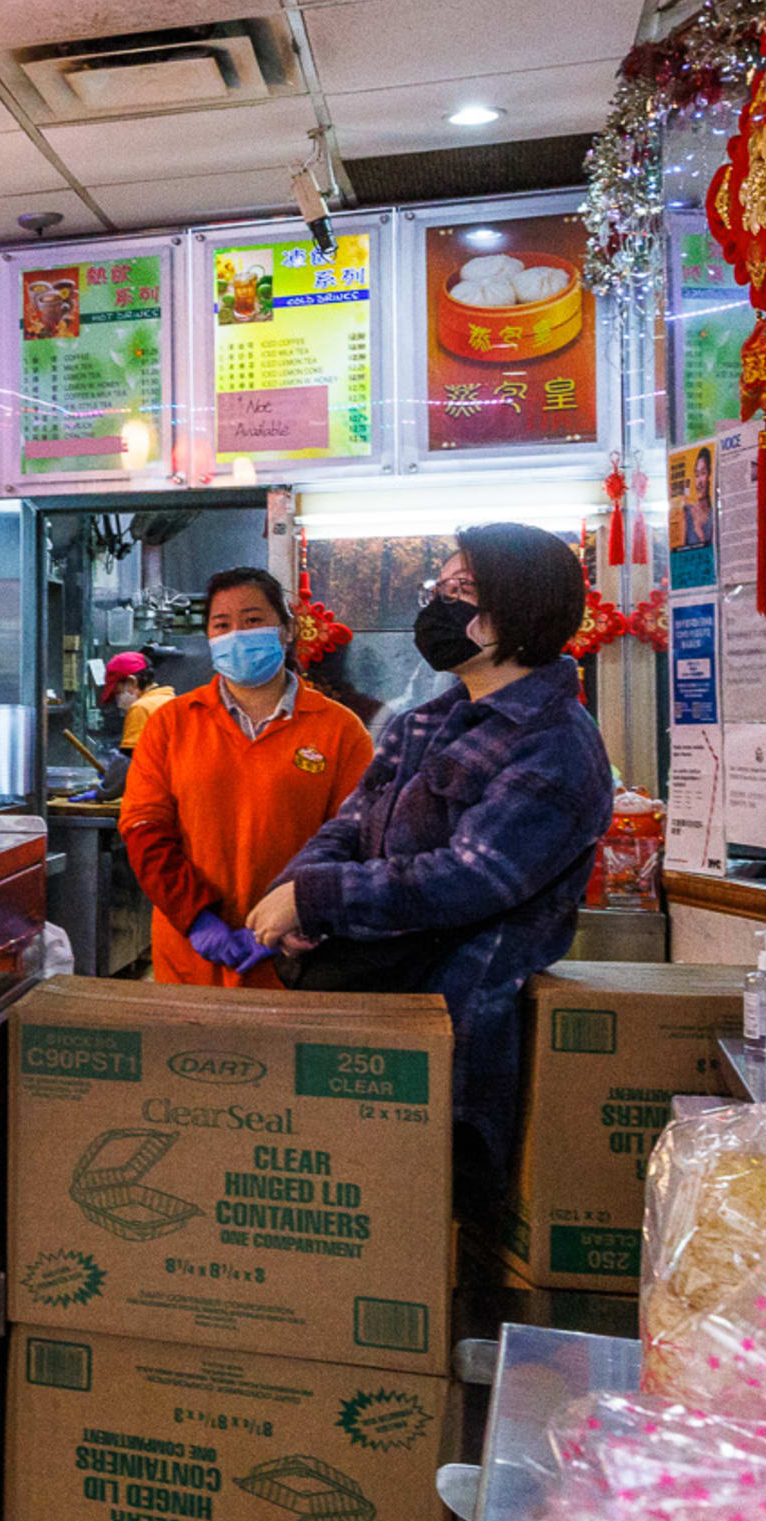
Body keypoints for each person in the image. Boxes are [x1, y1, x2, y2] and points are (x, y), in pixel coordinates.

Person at [248, 522, 615, 1245]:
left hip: (452, 1048)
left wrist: (319, 899)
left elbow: (469, 878)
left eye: (462, 593)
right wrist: (299, 888)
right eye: (437, 590)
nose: (439, 608)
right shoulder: (427, 722)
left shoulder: (556, 746)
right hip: (368, 1013)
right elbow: (351, 825)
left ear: (523, 612)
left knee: (423, 1250)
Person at [117, 567, 375, 985]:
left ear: (287, 629)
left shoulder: (340, 730)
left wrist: (304, 917)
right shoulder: (171, 724)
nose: (237, 633)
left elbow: (357, 839)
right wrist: (196, 917)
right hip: (188, 958)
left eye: (253, 620)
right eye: (222, 624)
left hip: (294, 961)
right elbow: (144, 829)